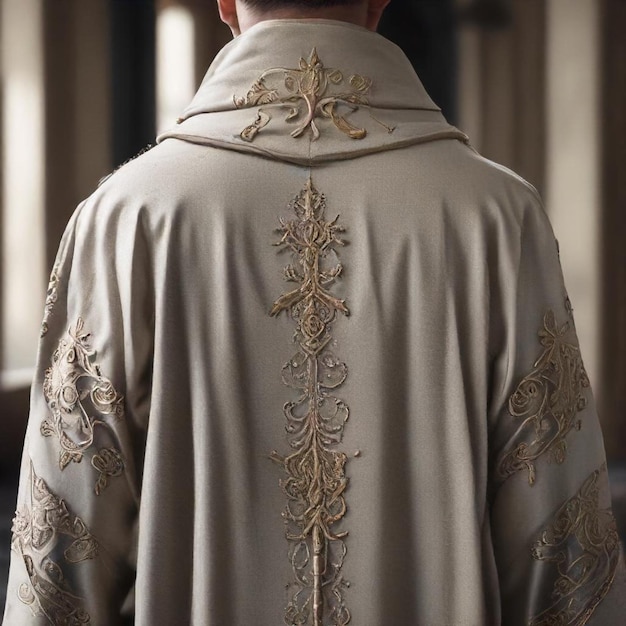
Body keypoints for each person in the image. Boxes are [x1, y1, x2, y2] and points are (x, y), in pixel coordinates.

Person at [3, 0, 625, 624]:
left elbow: (60, 551)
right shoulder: (496, 220)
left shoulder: (123, 220)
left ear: (224, 3)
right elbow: (565, 552)